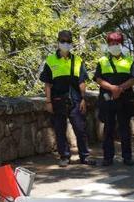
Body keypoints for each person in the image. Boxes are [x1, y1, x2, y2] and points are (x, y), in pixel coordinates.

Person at [39, 30, 95, 167]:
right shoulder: (50, 60)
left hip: (75, 100)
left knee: (80, 129)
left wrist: (83, 99)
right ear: (58, 42)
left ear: (71, 43)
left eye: (68, 41)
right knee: (59, 130)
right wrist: (48, 101)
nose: (65, 44)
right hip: (57, 100)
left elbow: (82, 82)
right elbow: (48, 84)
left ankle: (84, 156)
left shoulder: (77, 60)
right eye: (62, 41)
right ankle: (64, 156)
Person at [94, 31, 134, 166]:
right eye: (112, 43)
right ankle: (108, 157)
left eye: (117, 43)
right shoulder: (102, 61)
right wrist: (112, 88)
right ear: (108, 45)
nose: (114, 46)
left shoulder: (129, 60)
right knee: (108, 129)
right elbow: (98, 79)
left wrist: (120, 89)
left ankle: (127, 157)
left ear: (121, 45)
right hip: (108, 100)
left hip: (124, 100)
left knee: (125, 129)